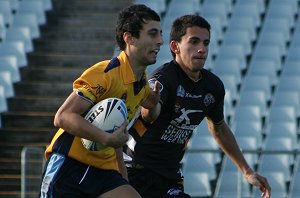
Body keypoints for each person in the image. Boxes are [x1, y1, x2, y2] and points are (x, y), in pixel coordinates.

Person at [126, 14, 271, 198]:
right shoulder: (163, 78)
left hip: (169, 174)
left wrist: (247, 171)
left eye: (206, 43)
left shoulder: (213, 87)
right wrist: (151, 105)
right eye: (194, 42)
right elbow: (149, 115)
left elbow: (219, 129)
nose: (202, 49)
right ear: (175, 46)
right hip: (135, 170)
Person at [39, 4, 162, 198]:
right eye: (153, 34)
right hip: (70, 167)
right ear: (129, 38)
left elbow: (144, 114)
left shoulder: (142, 84)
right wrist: (106, 139)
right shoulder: (105, 73)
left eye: (160, 34)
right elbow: (63, 117)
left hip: (104, 171)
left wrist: (123, 178)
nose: (160, 41)